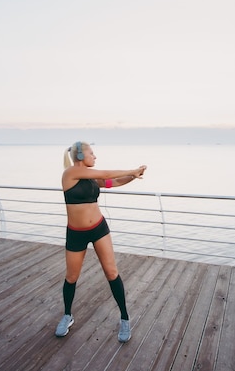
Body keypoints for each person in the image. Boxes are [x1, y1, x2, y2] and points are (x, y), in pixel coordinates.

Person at [55, 141, 147, 343]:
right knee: (71, 277)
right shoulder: (69, 174)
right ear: (80, 156)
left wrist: (133, 175)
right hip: (76, 233)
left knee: (112, 272)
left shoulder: (91, 178)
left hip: (98, 229)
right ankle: (67, 315)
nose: (95, 156)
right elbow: (106, 174)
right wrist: (131, 168)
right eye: (91, 153)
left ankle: (124, 318)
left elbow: (112, 182)